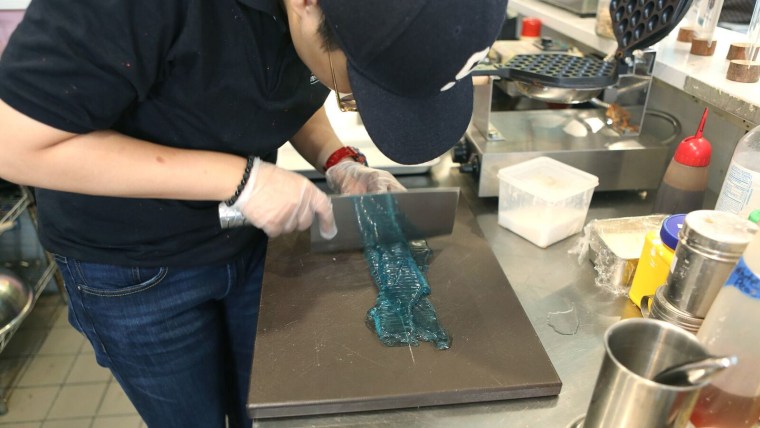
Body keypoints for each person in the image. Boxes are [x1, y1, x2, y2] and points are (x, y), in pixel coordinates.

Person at [0, 0, 507, 426]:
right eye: (354, 91)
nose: (346, 96)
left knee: (265, 410)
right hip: (132, 267)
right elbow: (14, 144)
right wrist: (239, 181)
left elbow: (278, 84)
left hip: (246, 241)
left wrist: (339, 161)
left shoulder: (314, 16)